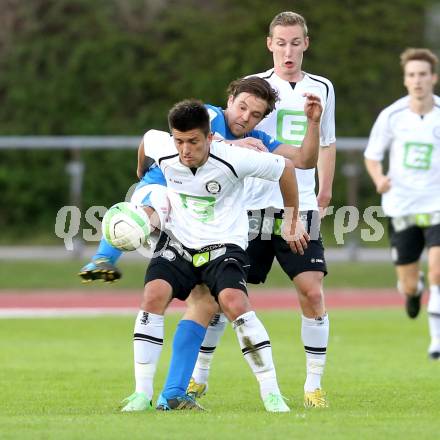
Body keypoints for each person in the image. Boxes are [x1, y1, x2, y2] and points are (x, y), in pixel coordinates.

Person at [121, 99, 308, 413]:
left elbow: (286, 168)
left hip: (223, 244)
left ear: (209, 137)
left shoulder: (234, 158)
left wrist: (291, 219)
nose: (184, 150)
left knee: (234, 302)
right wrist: (142, 171)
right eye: (179, 141)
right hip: (179, 241)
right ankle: (141, 395)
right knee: (153, 295)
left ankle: (272, 395)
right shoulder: (165, 147)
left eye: (193, 141)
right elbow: (146, 142)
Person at [188, 11, 336, 409]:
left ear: (306, 43)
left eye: (295, 42)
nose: (288, 51)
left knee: (312, 291)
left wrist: (324, 192)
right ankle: (197, 379)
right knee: (221, 295)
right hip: (248, 208)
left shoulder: (322, 87)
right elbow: (217, 137)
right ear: (270, 44)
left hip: (298, 205)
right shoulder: (256, 91)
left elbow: (322, 146)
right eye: (280, 43)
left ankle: (313, 385)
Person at [78, 76, 321, 283]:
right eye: (242, 107)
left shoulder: (258, 139)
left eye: (255, 114)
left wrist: (313, 122)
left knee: (203, 296)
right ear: (230, 101)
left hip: (194, 209)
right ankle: (102, 259)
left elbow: (303, 160)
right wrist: (141, 171)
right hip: (162, 189)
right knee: (149, 212)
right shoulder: (210, 115)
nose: (245, 117)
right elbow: (174, 138)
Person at [364, 48, 440, 360]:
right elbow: (372, 156)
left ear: (433, 78)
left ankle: (436, 340)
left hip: (436, 204)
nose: (418, 80)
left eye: (423, 74)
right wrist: (379, 178)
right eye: (412, 75)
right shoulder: (391, 116)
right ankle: (413, 289)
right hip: (402, 207)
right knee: (408, 284)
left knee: (439, 270)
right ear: (405, 80)